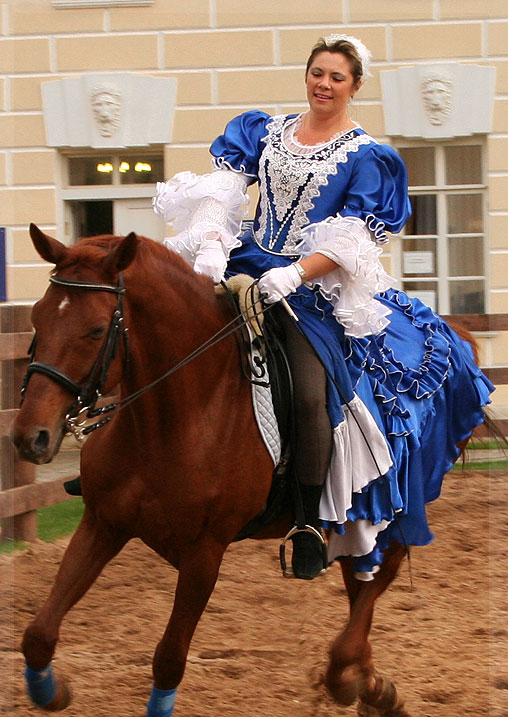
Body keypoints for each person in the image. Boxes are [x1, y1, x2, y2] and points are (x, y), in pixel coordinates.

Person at [153, 34, 493, 580]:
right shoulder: (265, 131)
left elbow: (353, 238)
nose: (324, 84)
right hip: (244, 264)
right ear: (306, 76)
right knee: (162, 332)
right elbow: (224, 189)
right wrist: (214, 243)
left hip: (309, 289)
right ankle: (124, 463)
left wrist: (293, 274)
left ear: (354, 86)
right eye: (317, 73)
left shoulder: (366, 156)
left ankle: (308, 521)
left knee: (311, 393)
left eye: (337, 77)